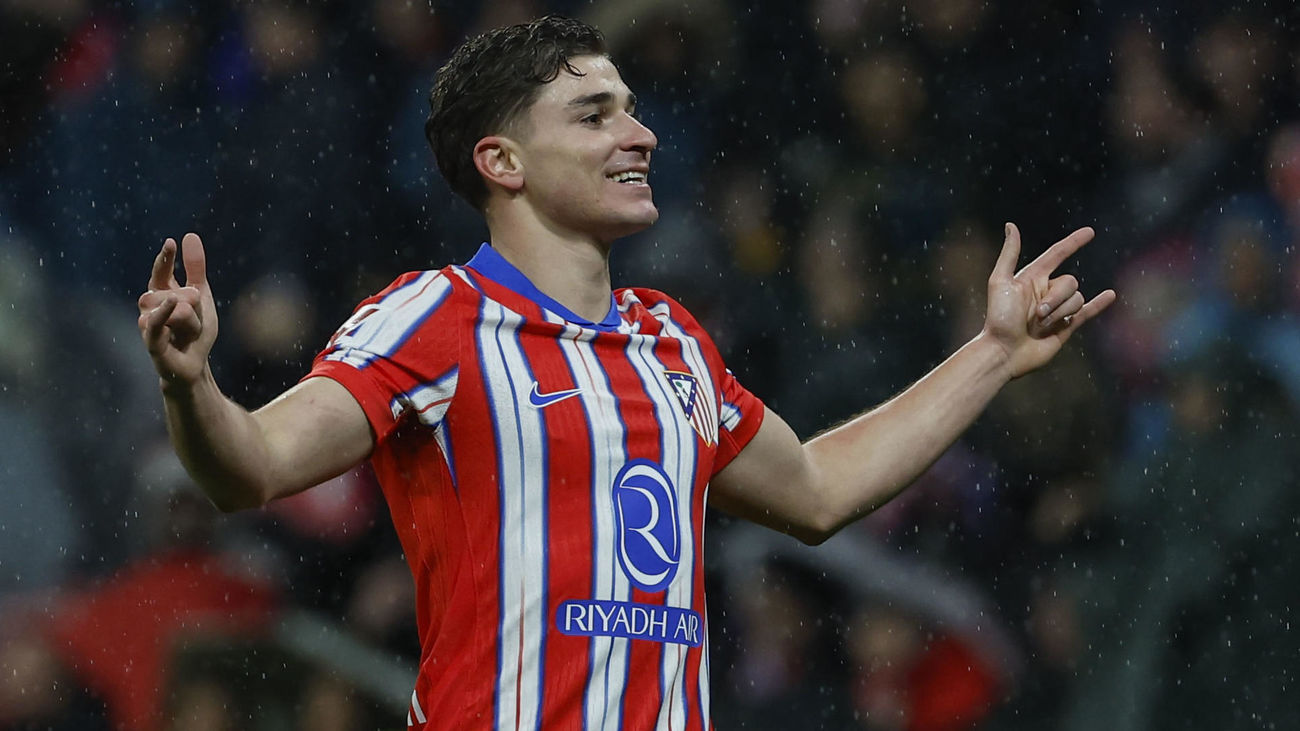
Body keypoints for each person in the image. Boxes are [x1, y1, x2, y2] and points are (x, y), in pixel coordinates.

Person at [136, 15, 1116, 731]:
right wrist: (191, 385)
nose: (639, 135)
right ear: (503, 160)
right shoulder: (436, 317)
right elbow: (253, 465)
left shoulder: (673, 340)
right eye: (595, 114)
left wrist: (990, 353)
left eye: (633, 112)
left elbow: (818, 488)